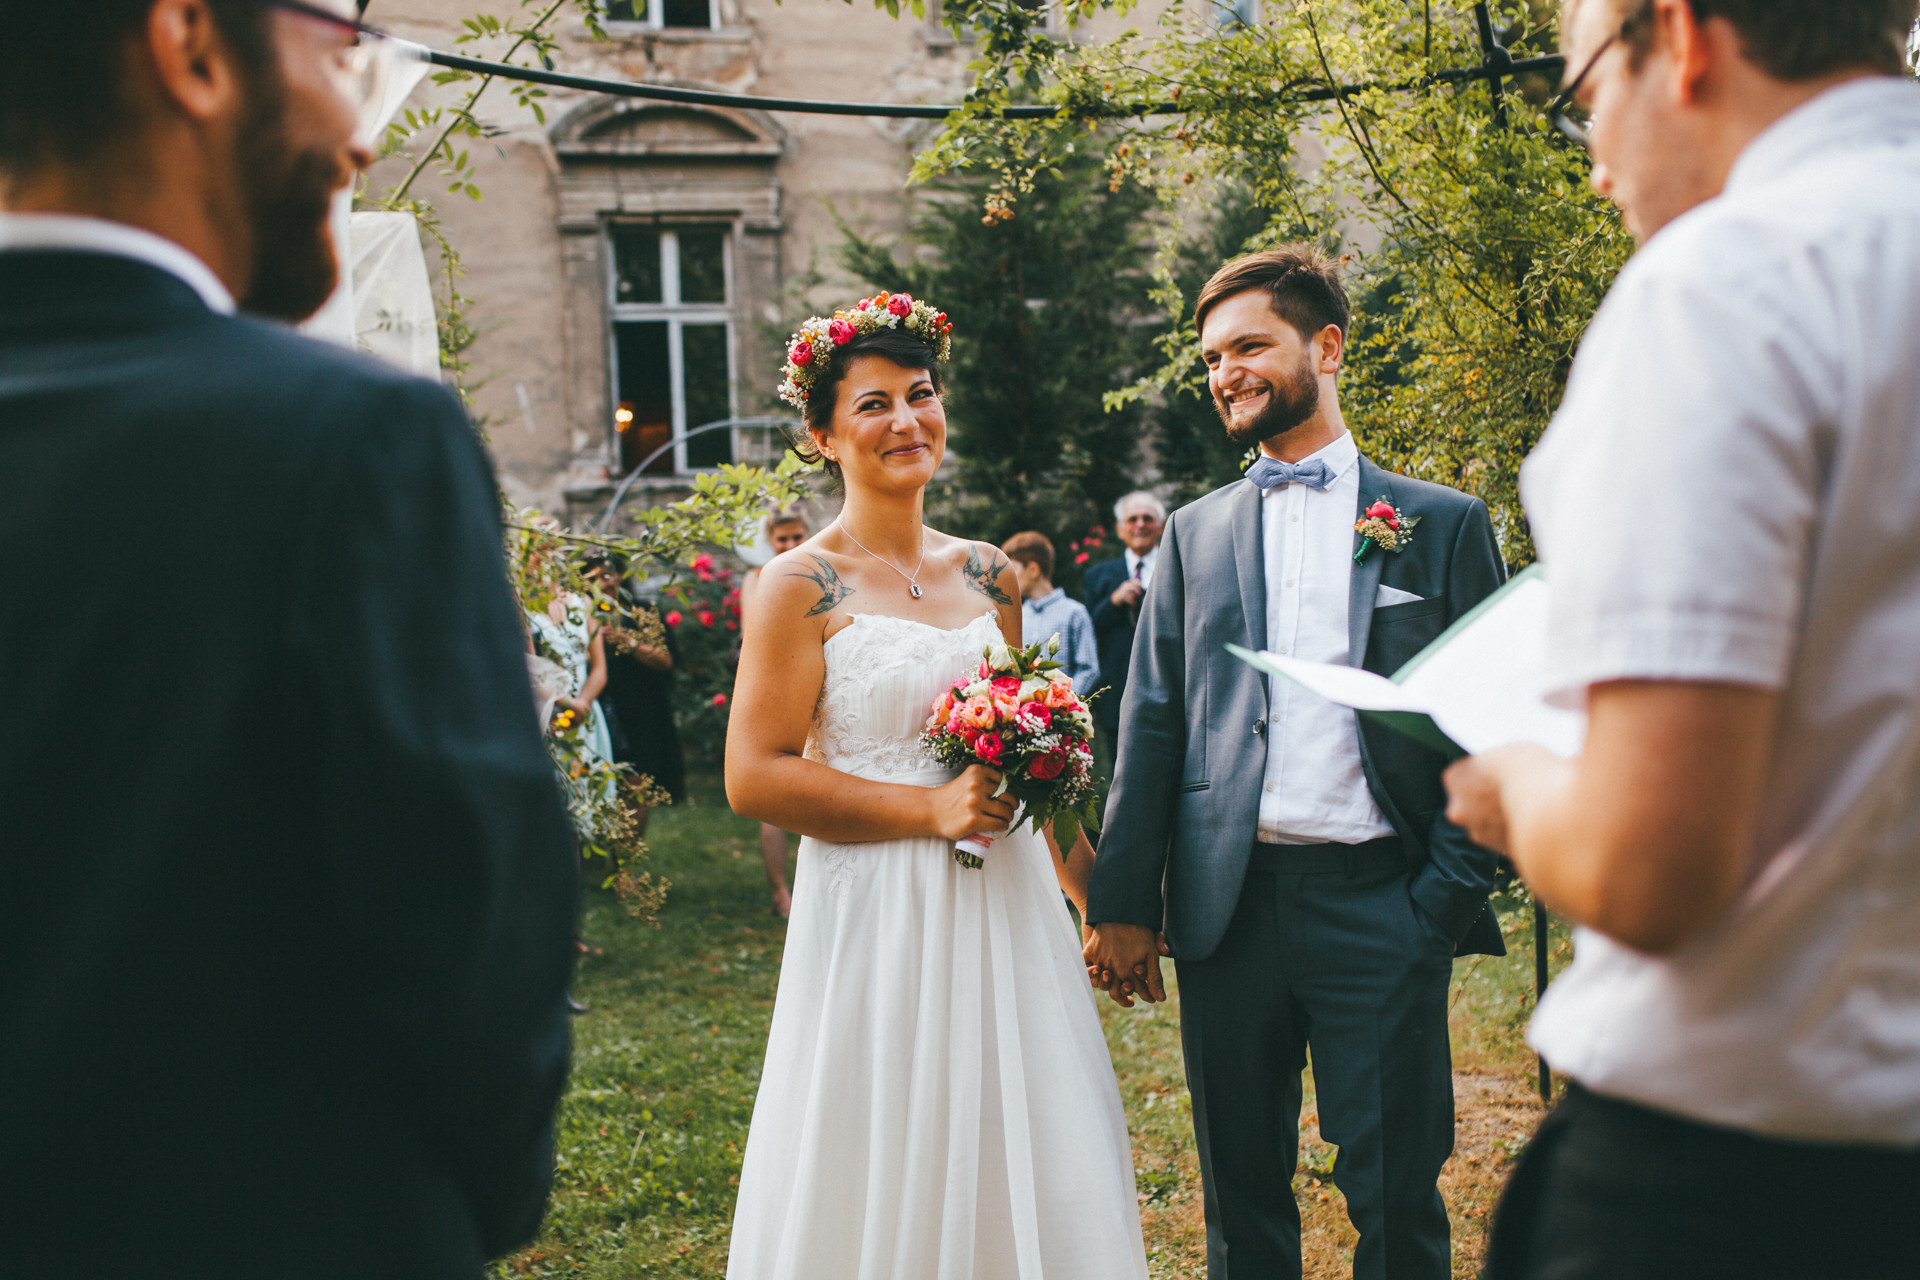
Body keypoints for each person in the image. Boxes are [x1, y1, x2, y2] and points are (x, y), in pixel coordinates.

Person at [0, 5, 579, 1278]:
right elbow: (481, 949)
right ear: (192, 46)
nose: (363, 135)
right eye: (341, 49)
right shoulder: (348, 443)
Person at [1439, 3, 1920, 1277]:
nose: (1592, 152)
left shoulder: (1730, 287)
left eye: (1583, 84)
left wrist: (1522, 780)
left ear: (1683, 37)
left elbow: (1651, 870)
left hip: (1745, 1182)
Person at [1084, 247, 1508, 1280]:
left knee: (1398, 1194)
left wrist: (1439, 902)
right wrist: (1128, 902)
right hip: (1231, 912)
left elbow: (1495, 724)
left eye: (1248, 346)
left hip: (1385, 901)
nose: (1225, 371)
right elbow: (1151, 724)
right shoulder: (1191, 535)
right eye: (1211, 357)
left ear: (1325, 346)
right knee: (1240, 1198)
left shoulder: (1440, 525)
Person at [724, 293, 1148, 1278]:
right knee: (881, 1147)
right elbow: (754, 774)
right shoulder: (798, 584)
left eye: (921, 394)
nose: (907, 421)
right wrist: (927, 807)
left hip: (1005, 911)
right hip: (872, 911)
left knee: (1024, 1139)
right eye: (873, 404)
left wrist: (1098, 898)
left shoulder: (995, 575)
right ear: (822, 434)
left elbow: (1031, 755)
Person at [740, 506, 812, 916]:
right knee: (777, 794)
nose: (790, 545)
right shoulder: (758, 579)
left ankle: (811, 884)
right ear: (770, 541)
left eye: (797, 536)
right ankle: (780, 890)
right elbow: (755, 633)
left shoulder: (823, 572)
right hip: (776, 689)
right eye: (782, 539)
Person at [591, 552, 687, 834]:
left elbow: (666, 660)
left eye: (608, 575)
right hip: (600, 710)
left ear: (621, 575)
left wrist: (628, 642)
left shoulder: (643, 611)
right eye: (595, 578)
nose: (604, 583)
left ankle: (626, 866)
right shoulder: (583, 615)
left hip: (640, 711)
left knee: (636, 786)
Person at [1084, 491, 1165, 744]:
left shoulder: (1176, 568)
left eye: (1147, 519)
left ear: (1160, 527)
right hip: (1117, 691)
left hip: (1167, 685)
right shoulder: (1098, 576)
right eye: (1132, 519)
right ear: (1120, 529)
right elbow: (1089, 630)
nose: (1140, 525)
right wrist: (1113, 602)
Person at [1001, 529, 1101, 696]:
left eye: (1013, 570)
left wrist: (1063, 702)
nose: (1008, 577)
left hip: (1061, 715)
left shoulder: (1074, 612)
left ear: (1033, 569)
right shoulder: (1017, 616)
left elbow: (1089, 669)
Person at [528, 584, 614, 769]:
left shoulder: (582, 601)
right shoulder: (522, 605)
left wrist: (581, 704)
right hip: (548, 713)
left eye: (547, 552)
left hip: (586, 708)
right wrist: (567, 703)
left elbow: (600, 668)